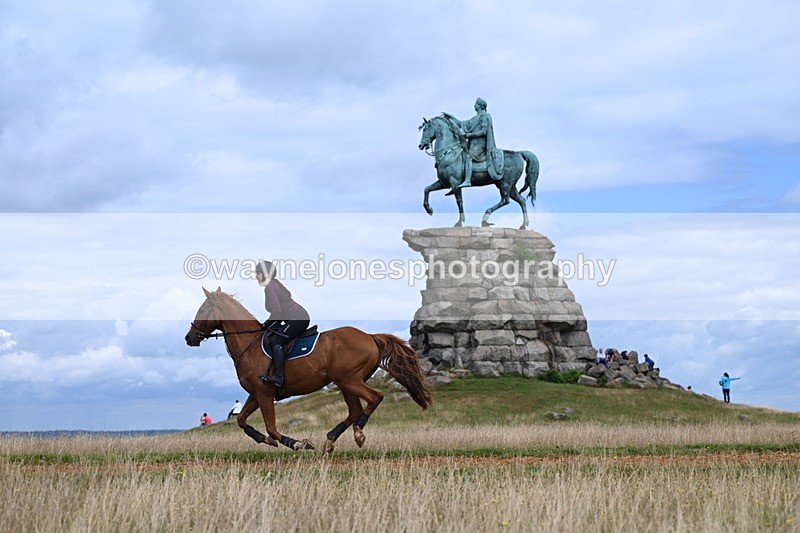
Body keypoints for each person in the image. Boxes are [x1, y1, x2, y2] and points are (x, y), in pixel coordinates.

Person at [255, 260, 310, 388]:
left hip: (298, 318)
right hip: (297, 317)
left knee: (276, 341)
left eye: (258, 273)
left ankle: (278, 376)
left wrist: (266, 324)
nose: (256, 276)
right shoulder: (273, 284)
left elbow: (277, 311)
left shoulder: (270, 287)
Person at [442, 97, 504, 192]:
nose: (474, 105)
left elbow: (484, 131)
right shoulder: (475, 118)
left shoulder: (485, 116)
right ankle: (456, 181)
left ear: (480, 106)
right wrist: (451, 117)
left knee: (468, 157)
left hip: (480, 145)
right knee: (459, 155)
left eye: (476, 104)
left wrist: (468, 135)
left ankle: (467, 180)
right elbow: (461, 124)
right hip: (472, 143)